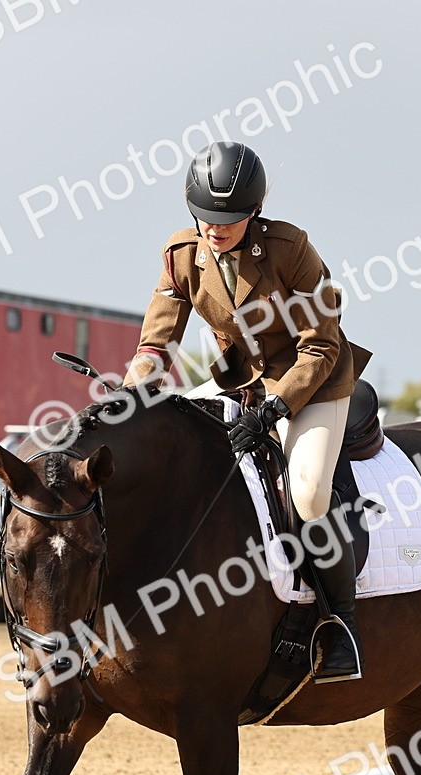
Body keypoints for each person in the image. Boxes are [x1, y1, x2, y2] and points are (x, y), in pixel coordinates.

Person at [122, 141, 373, 683]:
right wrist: (131, 394)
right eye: (207, 218)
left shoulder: (291, 249)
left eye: (230, 220)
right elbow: (155, 344)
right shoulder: (181, 254)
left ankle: (340, 625)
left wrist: (280, 405)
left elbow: (322, 346)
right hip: (243, 387)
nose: (216, 229)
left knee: (306, 493)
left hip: (315, 385)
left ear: (253, 212)